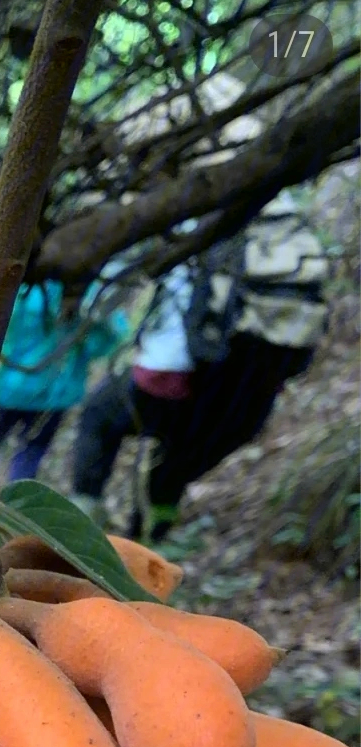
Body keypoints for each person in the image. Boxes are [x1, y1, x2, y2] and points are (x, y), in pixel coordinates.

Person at [69, 191, 328, 540]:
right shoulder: (287, 239)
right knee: (174, 468)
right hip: (245, 402)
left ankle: (79, 532)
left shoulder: (200, 223)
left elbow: (112, 290)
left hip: (171, 379)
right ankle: (150, 549)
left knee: (97, 418)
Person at [0, 279, 128, 483]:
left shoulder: (91, 297)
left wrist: (91, 320)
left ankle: (10, 507)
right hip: (19, 392)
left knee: (24, 453)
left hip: (43, 397)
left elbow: (100, 346)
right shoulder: (30, 287)